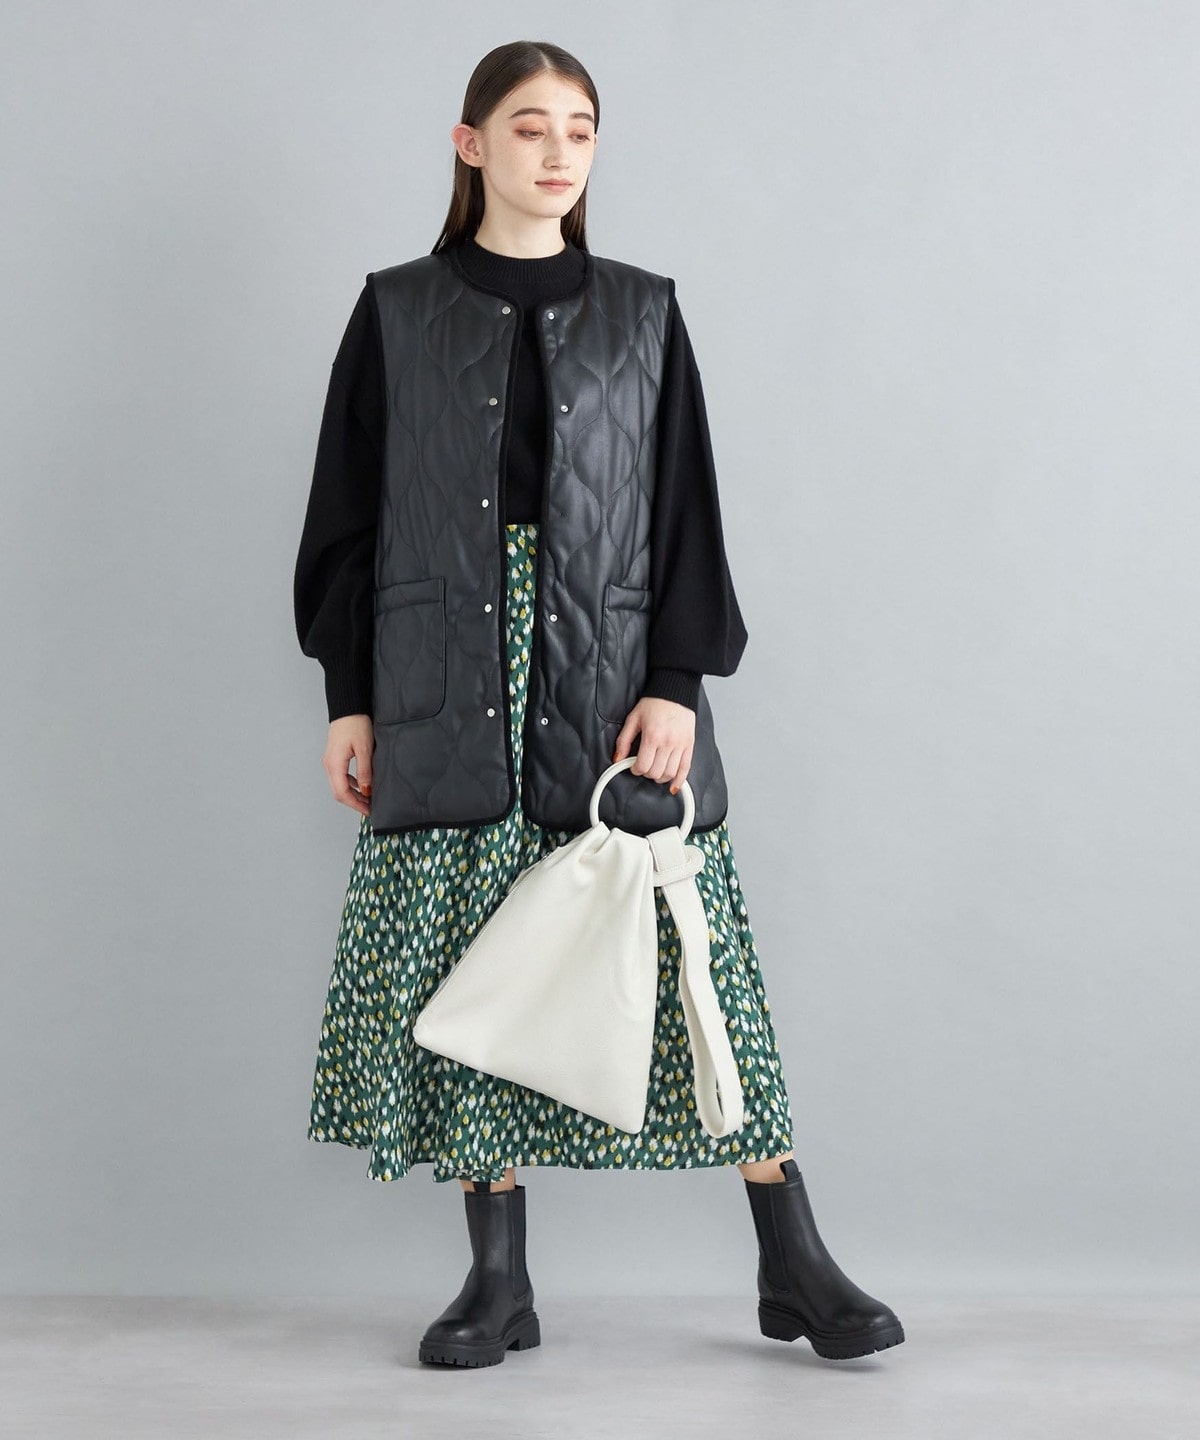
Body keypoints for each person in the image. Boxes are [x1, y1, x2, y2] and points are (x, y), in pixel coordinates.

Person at [293, 39, 904, 1369]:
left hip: (611, 680)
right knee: (475, 968)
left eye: (580, 127)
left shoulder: (642, 311)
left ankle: (793, 1261)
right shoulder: (396, 311)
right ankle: (497, 1278)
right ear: (471, 146)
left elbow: (685, 512)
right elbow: (348, 517)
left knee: (697, 965)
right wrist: (350, 700)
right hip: (443, 680)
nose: (559, 151)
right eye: (530, 126)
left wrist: (677, 684)